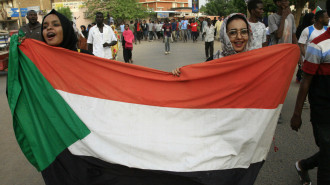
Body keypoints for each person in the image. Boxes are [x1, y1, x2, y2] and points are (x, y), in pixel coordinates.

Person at [291, 9, 329, 185]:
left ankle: (303, 165)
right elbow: (306, 81)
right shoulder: (318, 44)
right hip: (323, 106)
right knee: (327, 150)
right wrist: (297, 113)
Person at [173, 13, 252, 75]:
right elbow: (195, 78)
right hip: (207, 39)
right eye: (233, 33)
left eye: (244, 31)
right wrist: (181, 73)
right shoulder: (213, 62)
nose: (239, 37)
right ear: (225, 35)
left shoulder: (254, 63)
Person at [268, 0, 297, 124]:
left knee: (284, 84)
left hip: (288, 55)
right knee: (276, 84)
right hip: (277, 56)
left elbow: (294, 35)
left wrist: (298, 52)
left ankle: (277, 107)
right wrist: (284, 16)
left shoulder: (291, 16)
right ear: (277, 3)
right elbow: (278, 35)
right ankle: (275, 111)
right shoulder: (272, 17)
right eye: (284, 0)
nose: (287, 2)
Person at [295, 13, 315, 83]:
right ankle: (299, 77)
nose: (313, 20)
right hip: (301, 47)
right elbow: (298, 40)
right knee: (302, 64)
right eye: (312, 18)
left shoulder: (313, 28)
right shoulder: (302, 28)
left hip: (308, 49)